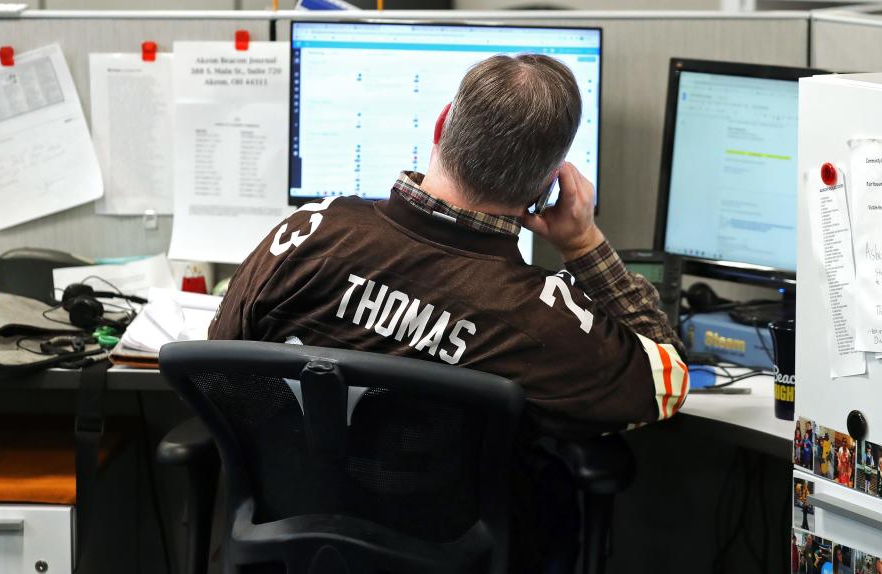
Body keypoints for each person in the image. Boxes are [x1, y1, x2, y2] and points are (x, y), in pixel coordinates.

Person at [209, 54, 687, 570]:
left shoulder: (308, 235)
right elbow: (667, 381)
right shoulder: (541, 319)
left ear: (441, 124)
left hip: (291, 550)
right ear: (550, 185)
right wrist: (583, 241)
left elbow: (221, 361)